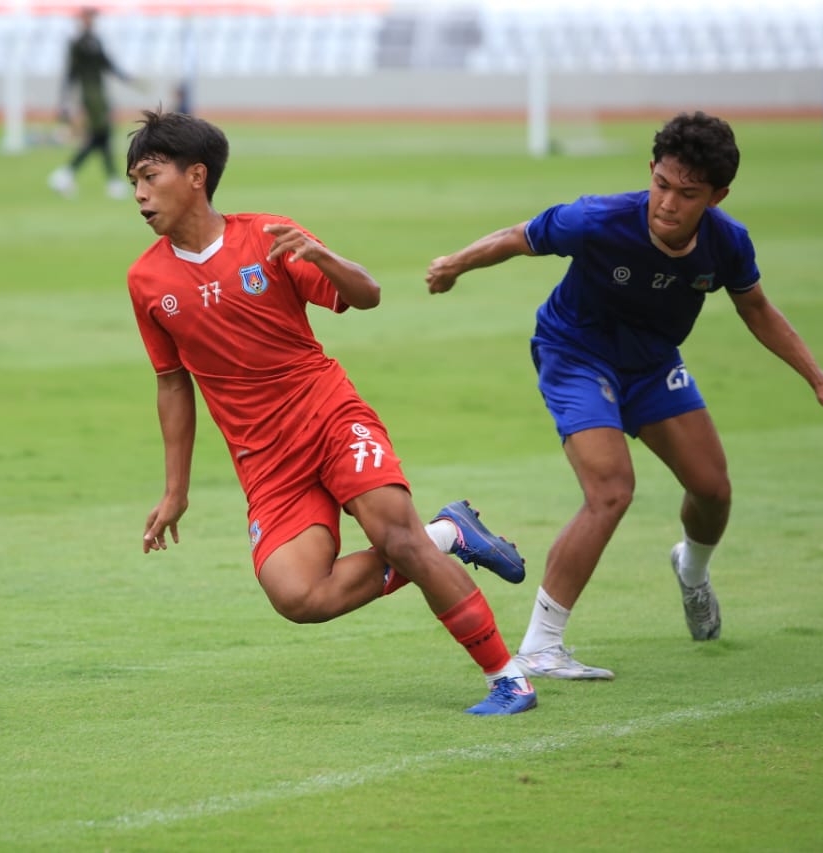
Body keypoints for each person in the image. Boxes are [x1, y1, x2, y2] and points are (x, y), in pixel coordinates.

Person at [425, 111, 823, 680]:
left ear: (717, 195)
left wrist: (821, 382)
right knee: (611, 488)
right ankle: (541, 645)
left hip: (653, 365)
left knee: (712, 490)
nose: (668, 203)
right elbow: (519, 237)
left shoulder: (727, 243)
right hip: (575, 353)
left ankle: (692, 569)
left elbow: (755, 308)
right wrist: (454, 265)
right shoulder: (598, 219)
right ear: (650, 172)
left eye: (688, 194)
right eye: (662, 184)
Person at [126, 109, 536, 715]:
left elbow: (366, 296)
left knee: (396, 535)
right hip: (264, 457)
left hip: (328, 415)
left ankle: (508, 677)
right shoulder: (145, 279)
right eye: (133, 179)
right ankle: (449, 534)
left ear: (196, 176)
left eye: (150, 176)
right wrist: (175, 490)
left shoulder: (267, 236)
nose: (138, 193)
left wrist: (323, 256)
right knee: (297, 596)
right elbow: (171, 383)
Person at [47, 7, 131, 200]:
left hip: (99, 92)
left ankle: (67, 175)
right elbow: (71, 72)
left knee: (100, 137)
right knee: (101, 135)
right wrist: (64, 100)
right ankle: (110, 181)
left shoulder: (95, 40)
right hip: (89, 94)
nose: (92, 21)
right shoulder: (77, 43)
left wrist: (127, 78)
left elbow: (108, 64)